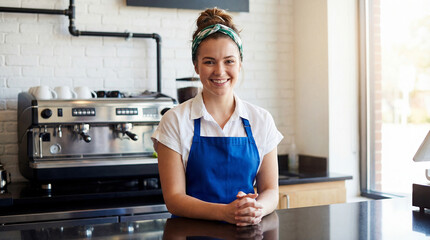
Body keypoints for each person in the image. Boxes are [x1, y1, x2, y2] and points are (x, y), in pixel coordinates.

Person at [152, 7, 283, 226]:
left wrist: (255, 209)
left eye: (229, 61)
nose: (220, 71)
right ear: (196, 66)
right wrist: (224, 212)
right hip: (190, 233)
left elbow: (271, 191)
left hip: (246, 231)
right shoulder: (174, 121)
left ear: (240, 64)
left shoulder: (261, 120)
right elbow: (174, 199)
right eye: (209, 61)